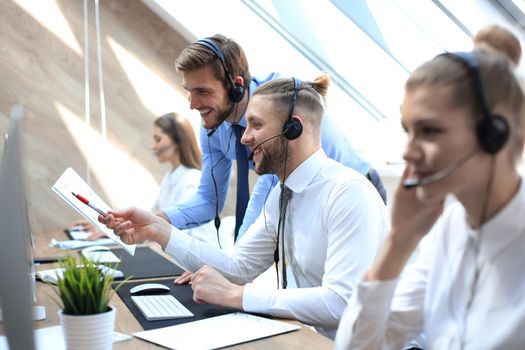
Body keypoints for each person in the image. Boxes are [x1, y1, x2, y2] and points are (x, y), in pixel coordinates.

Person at [100, 74, 388, 339]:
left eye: (257, 125)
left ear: (293, 128)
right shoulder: (281, 196)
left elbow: (341, 303)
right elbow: (238, 267)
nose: (244, 137)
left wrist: (236, 296)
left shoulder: (348, 193)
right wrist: (159, 230)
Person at [334, 50, 525, 349]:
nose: (408, 153)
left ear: (494, 135)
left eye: (429, 131)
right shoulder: (450, 228)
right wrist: (399, 240)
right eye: (408, 131)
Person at [160, 34, 387, 242]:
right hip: (307, 198)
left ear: (236, 85)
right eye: (189, 91)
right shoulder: (214, 125)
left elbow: (263, 207)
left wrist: (227, 268)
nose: (191, 104)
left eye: (203, 92)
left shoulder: (280, 111)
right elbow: (210, 201)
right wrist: (159, 220)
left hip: (356, 193)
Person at [70, 113, 219, 247]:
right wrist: (106, 227)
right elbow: (150, 219)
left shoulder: (191, 180)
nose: (152, 146)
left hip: (195, 265)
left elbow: (180, 236)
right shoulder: (170, 177)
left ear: (178, 141)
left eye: (158, 139)